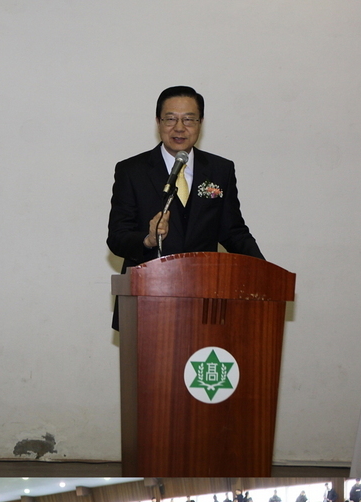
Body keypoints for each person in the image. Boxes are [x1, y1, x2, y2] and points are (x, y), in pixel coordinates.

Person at [107, 85, 263, 329]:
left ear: (200, 123)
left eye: (189, 119)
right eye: (170, 119)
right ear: (158, 122)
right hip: (147, 299)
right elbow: (116, 238)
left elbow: (233, 232)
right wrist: (147, 240)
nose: (179, 128)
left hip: (205, 299)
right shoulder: (132, 171)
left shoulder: (220, 170)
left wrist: (264, 271)